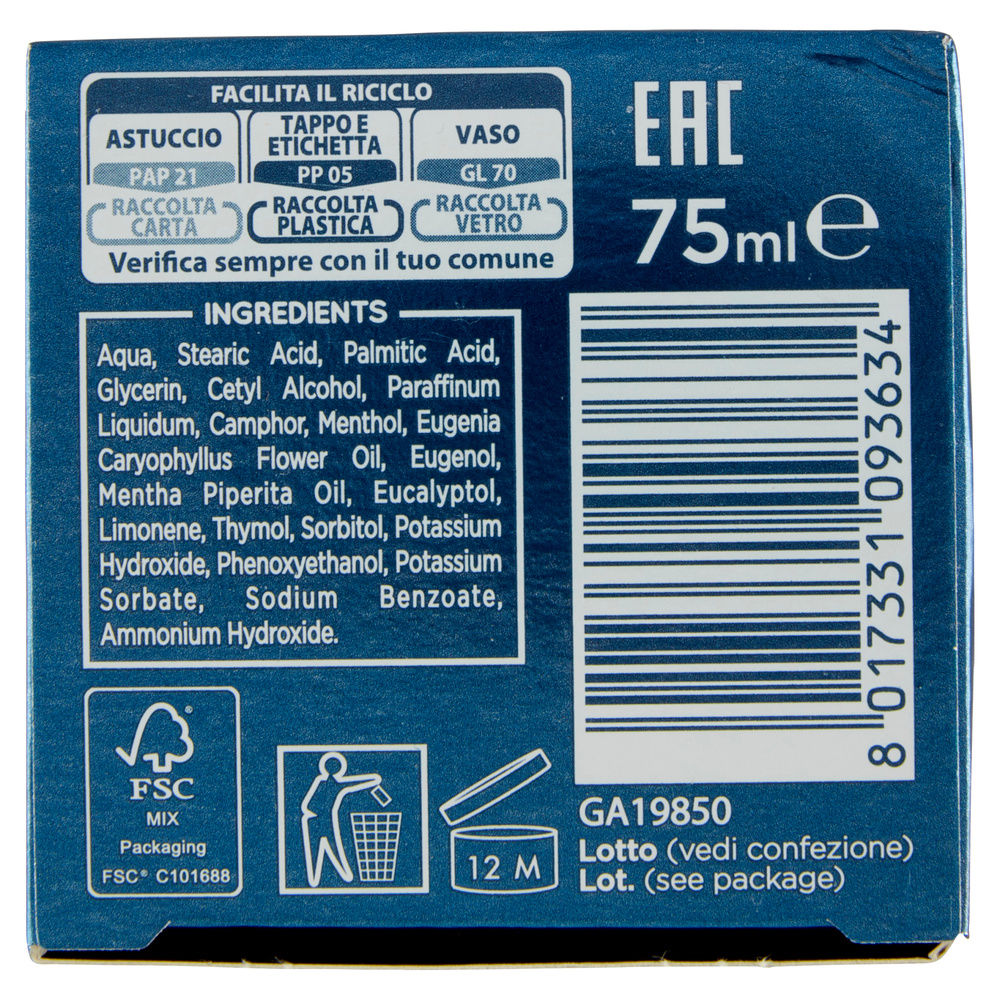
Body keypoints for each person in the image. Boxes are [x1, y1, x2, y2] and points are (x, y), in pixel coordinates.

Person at [300, 751, 390, 886]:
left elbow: (308, 806)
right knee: (318, 855)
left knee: (331, 852)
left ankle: (323, 879)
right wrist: (373, 781)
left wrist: (374, 781)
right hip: (319, 822)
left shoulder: (329, 784)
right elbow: (308, 806)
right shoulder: (325, 783)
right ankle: (317, 880)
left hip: (322, 822)